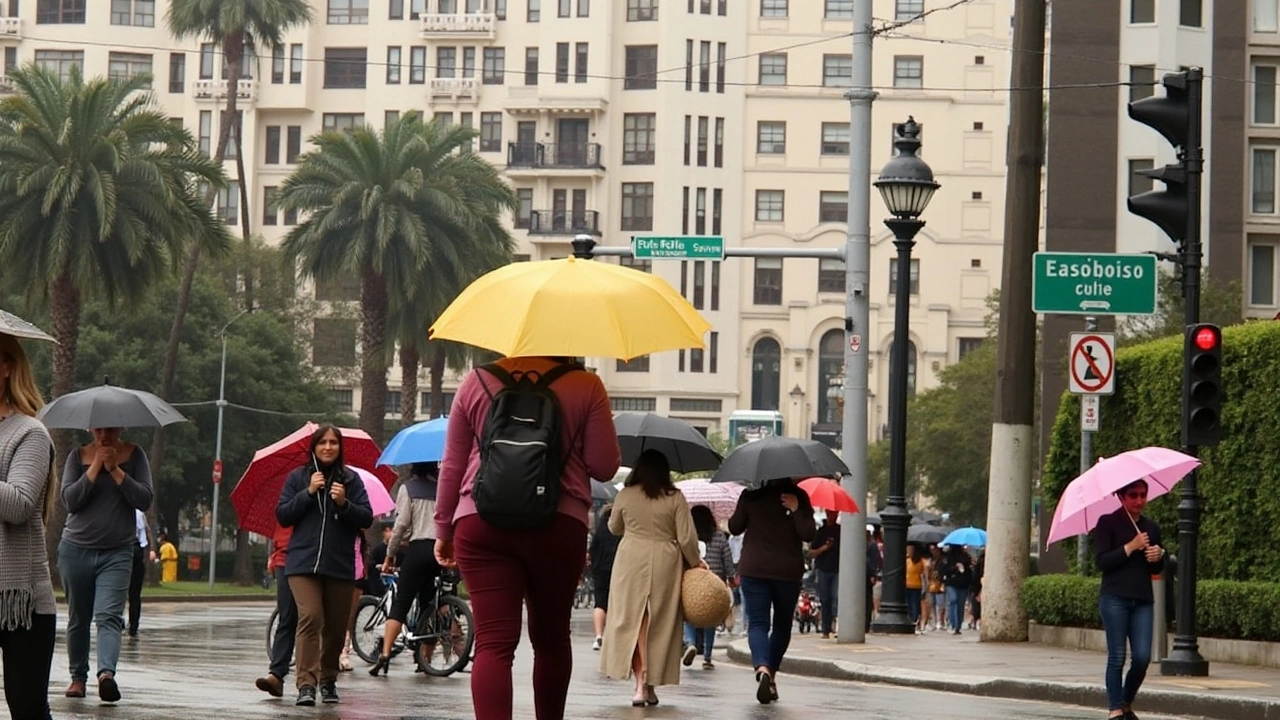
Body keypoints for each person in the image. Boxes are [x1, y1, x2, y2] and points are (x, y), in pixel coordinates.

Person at [435, 356, 620, 720]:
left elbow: (453, 463)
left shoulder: (476, 382)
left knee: (492, 643)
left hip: (481, 521)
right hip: (559, 523)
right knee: (551, 640)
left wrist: (443, 530)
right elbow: (604, 466)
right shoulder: (586, 386)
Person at [276, 424, 374, 707]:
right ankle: (306, 684)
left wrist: (344, 504)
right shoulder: (298, 478)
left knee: (334, 627)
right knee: (311, 617)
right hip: (302, 563)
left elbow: (366, 518)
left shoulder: (351, 480)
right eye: (323, 443)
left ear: (340, 448)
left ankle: (328, 680)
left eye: (333, 443)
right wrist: (308, 493)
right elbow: (283, 515)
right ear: (314, 447)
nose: (328, 447)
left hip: (339, 565)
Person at [59, 426, 154, 703]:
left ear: (121, 427)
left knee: (109, 616)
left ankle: (106, 675)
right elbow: (70, 501)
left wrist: (115, 470)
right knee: (78, 617)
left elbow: (144, 499)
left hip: (117, 551)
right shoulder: (77, 457)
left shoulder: (136, 455)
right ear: (90, 428)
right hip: (76, 549)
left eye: (110, 429)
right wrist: (95, 468)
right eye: (99, 429)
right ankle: (78, 677)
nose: (104, 434)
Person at [600, 449, 702, 706]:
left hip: (630, 559)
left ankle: (640, 683)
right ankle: (648, 683)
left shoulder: (626, 494)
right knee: (660, 624)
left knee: (630, 621)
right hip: (666, 561)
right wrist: (695, 562)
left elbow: (614, 528)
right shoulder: (675, 497)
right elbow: (687, 537)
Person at [0, 332, 57, 720]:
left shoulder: (29, 433)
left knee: (27, 707)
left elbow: (20, 505)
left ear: (7, 367)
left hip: (20, 601)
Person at [729, 479, 816, 705]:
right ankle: (772, 676)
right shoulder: (799, 495)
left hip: (754, 568)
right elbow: (808, 533)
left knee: (757, 623)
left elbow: (734, 527)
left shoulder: (751, 494)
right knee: (781, 625)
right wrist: (796, 509)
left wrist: (743, 508)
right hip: (787, 571)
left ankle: (763, 668)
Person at [1094, 479, 1165, 720]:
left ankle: (1125, 701)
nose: (1139, 500)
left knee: (1143, 657)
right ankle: (1115, 709)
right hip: (1115, 597)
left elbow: (1157, 566)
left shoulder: (1151, 528)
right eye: (1133, 495)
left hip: (1142, 599)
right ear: (1122, 497)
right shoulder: (1108, 523)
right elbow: (1102, 562)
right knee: (1117, 656)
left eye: (1143, 495)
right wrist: (1130, 547)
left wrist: (1158, 555)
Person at [370, 462, 441, 676]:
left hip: (418, 549)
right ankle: (424, 658)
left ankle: (384, 654)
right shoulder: (443, 488)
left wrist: (390, 555)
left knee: (401, 604)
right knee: (431, 604)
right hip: (440, 550)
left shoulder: (408, 488)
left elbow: (400, 525)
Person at [681, 504, 734, 669]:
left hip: (692, 581)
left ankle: (690, 643)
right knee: (712, 618)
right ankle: (708, 658)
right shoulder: (719, 536)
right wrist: (730, 577)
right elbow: (727, 558)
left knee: (688, 615)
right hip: (714, 582)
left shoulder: (689, 536)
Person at [255, 522, 296, 697]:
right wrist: (273, 554)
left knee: (312, 619)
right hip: (284, 558)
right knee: (287, 617)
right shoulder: (283, 497)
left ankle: (319, 678)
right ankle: (277, 674)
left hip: (311, 558)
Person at [588, 504, 620, 651]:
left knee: (600, 604)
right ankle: (614, 637)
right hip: (618, 570)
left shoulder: (600, 531)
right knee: (617, 604)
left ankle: (599, 636)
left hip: (599, 571)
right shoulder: (621, 530)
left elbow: (592, 551)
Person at [808, 511, 840, 639]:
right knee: (825, 599)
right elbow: (811, 553)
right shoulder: (820, 532)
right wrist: (824, 548)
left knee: (836, 598)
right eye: (830, 513)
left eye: (834, 514)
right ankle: (826, 629)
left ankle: (836, 626)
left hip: (837, 569)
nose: (832, 516)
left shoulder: (841, 531)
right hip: (823, 570)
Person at [126, 509, 154, 638]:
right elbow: (147, 531)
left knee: (132, 592)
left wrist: (151, 549)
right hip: (130, 549)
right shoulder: (138, 513)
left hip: (131, 550)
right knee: (131, 593)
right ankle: (131, 623)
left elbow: (147, 531)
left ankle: (132, 624)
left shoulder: (138, 513)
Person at [941, 545, 972, 635]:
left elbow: (969, 572)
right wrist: (955, 568)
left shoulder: (966, 557)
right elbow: (943, 570)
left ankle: (958, 625)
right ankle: (953, 623)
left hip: (963, 584)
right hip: (951, 583)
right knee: (953, 601)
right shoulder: (947, 558)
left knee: (960, 605)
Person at [905, 544, 926, 632]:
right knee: (910, 604)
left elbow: (923, 574)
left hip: (916, 585)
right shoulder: (907, 560)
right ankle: (911, 619)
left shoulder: (920, 562)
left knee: (914, 604)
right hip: (908, 584)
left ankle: (914, 620)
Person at [927, 543, 946, 631]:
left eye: (935, 549)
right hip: (931, 583)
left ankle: (940, 621)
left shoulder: (943, 560)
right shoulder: (930, 560)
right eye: (932, 550)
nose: (933, 551)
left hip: (940, 583)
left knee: (940, 603)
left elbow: (943, 571)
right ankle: (934, 620)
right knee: (932, 603)